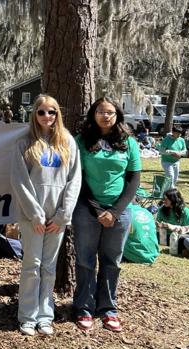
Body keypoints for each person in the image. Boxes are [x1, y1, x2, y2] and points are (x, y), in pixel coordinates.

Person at [11, 95, 81, 336]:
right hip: (32, 217)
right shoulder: (24, 143)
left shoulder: (68, 142)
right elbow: (19, 181)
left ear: (57, 114)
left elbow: (74, 180)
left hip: (57, 218)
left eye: (51, 112)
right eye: (41, 112)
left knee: (49, 267)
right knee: (32, 266)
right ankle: (27, 317)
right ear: (34, 115)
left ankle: (45, 316)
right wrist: (35, 215)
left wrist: (63, 215)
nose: (47, 116)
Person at [72, 97, 141, 332]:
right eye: (101, 111)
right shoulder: (81, 141)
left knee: (112, 262)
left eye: (110, 112)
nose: (105, 116)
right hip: (86, 209)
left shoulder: (128, 143)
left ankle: (108, 309)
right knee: (84, 260)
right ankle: (84, 308)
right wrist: (98, 209)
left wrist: (115, 211)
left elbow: (133, 180)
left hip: (120, 212)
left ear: (118, 116)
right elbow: (77, 179)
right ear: (93, 114)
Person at [155, 188, 189, 254]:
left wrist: (171, 227)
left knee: (186, 241)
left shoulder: (184, 211)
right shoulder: (162, 210)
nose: (164, 201)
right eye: (164, 198)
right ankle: (185, 251)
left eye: (167, 199)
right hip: (165, 236)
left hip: (180, 236)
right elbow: (158, 224)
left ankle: (187, 250)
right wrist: (158, 225)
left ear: (173, 199)